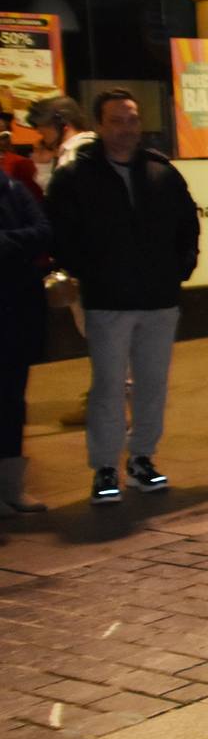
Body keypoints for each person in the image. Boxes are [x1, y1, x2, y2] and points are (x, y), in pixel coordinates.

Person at [44, 89, 201, 504]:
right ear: (99, 125)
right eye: (116, 120)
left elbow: (188, 224)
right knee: (109, 387)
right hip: (107, 300)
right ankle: (105, 467)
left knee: (152, 385)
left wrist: (179, 269)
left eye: (132, 120)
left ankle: (143, 458)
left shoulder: (160, 171)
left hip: (158, 300)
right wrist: (88, 270)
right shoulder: (77, 175)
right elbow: (60, 231)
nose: (126, 129)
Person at [0, 172, 52, 514]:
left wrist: (6, 242)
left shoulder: (11, 187)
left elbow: (44, 231)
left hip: (15, 311)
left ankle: (12, 488)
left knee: (12, 399)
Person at [26, 95, 94, 191]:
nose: (39, 130)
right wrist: (43, 165)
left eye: (44, 125)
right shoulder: (74, 149)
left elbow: (61, 196)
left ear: (62, 123)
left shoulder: (79, 152)